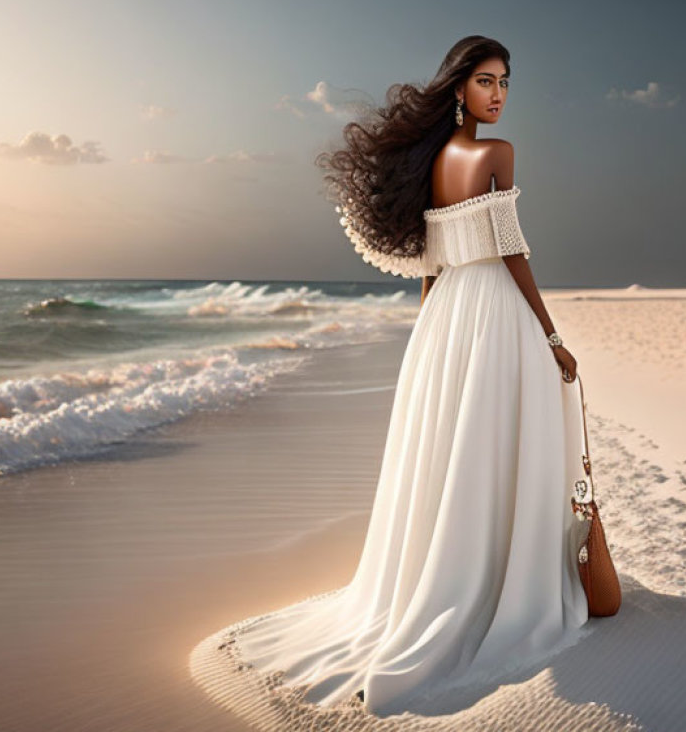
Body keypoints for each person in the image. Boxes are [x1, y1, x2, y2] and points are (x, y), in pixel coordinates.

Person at [194, 35, 595, 718]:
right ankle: (503, 581)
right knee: (499, 440)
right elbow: (514, 254)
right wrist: (553, 336)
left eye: (505, 83)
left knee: (454, 450)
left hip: (445, 320)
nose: (498, 95)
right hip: (495, 311)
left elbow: (433, 266)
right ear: (459, 88)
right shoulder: (496, 155)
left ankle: (455, 575)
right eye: (487, 82)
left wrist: (428, 335)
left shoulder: (432, 164)